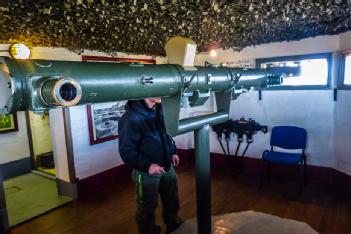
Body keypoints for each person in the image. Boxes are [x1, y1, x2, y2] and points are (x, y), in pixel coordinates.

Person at [118, 98, 182, 234]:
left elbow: (167, 134)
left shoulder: (160, 109)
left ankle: (174, 227)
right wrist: (147, 166)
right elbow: (127, 151)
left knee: (172, 200)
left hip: (167, 165)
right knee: (147, 207)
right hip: (146, 172)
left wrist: (173, 151)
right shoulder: (130, 118)